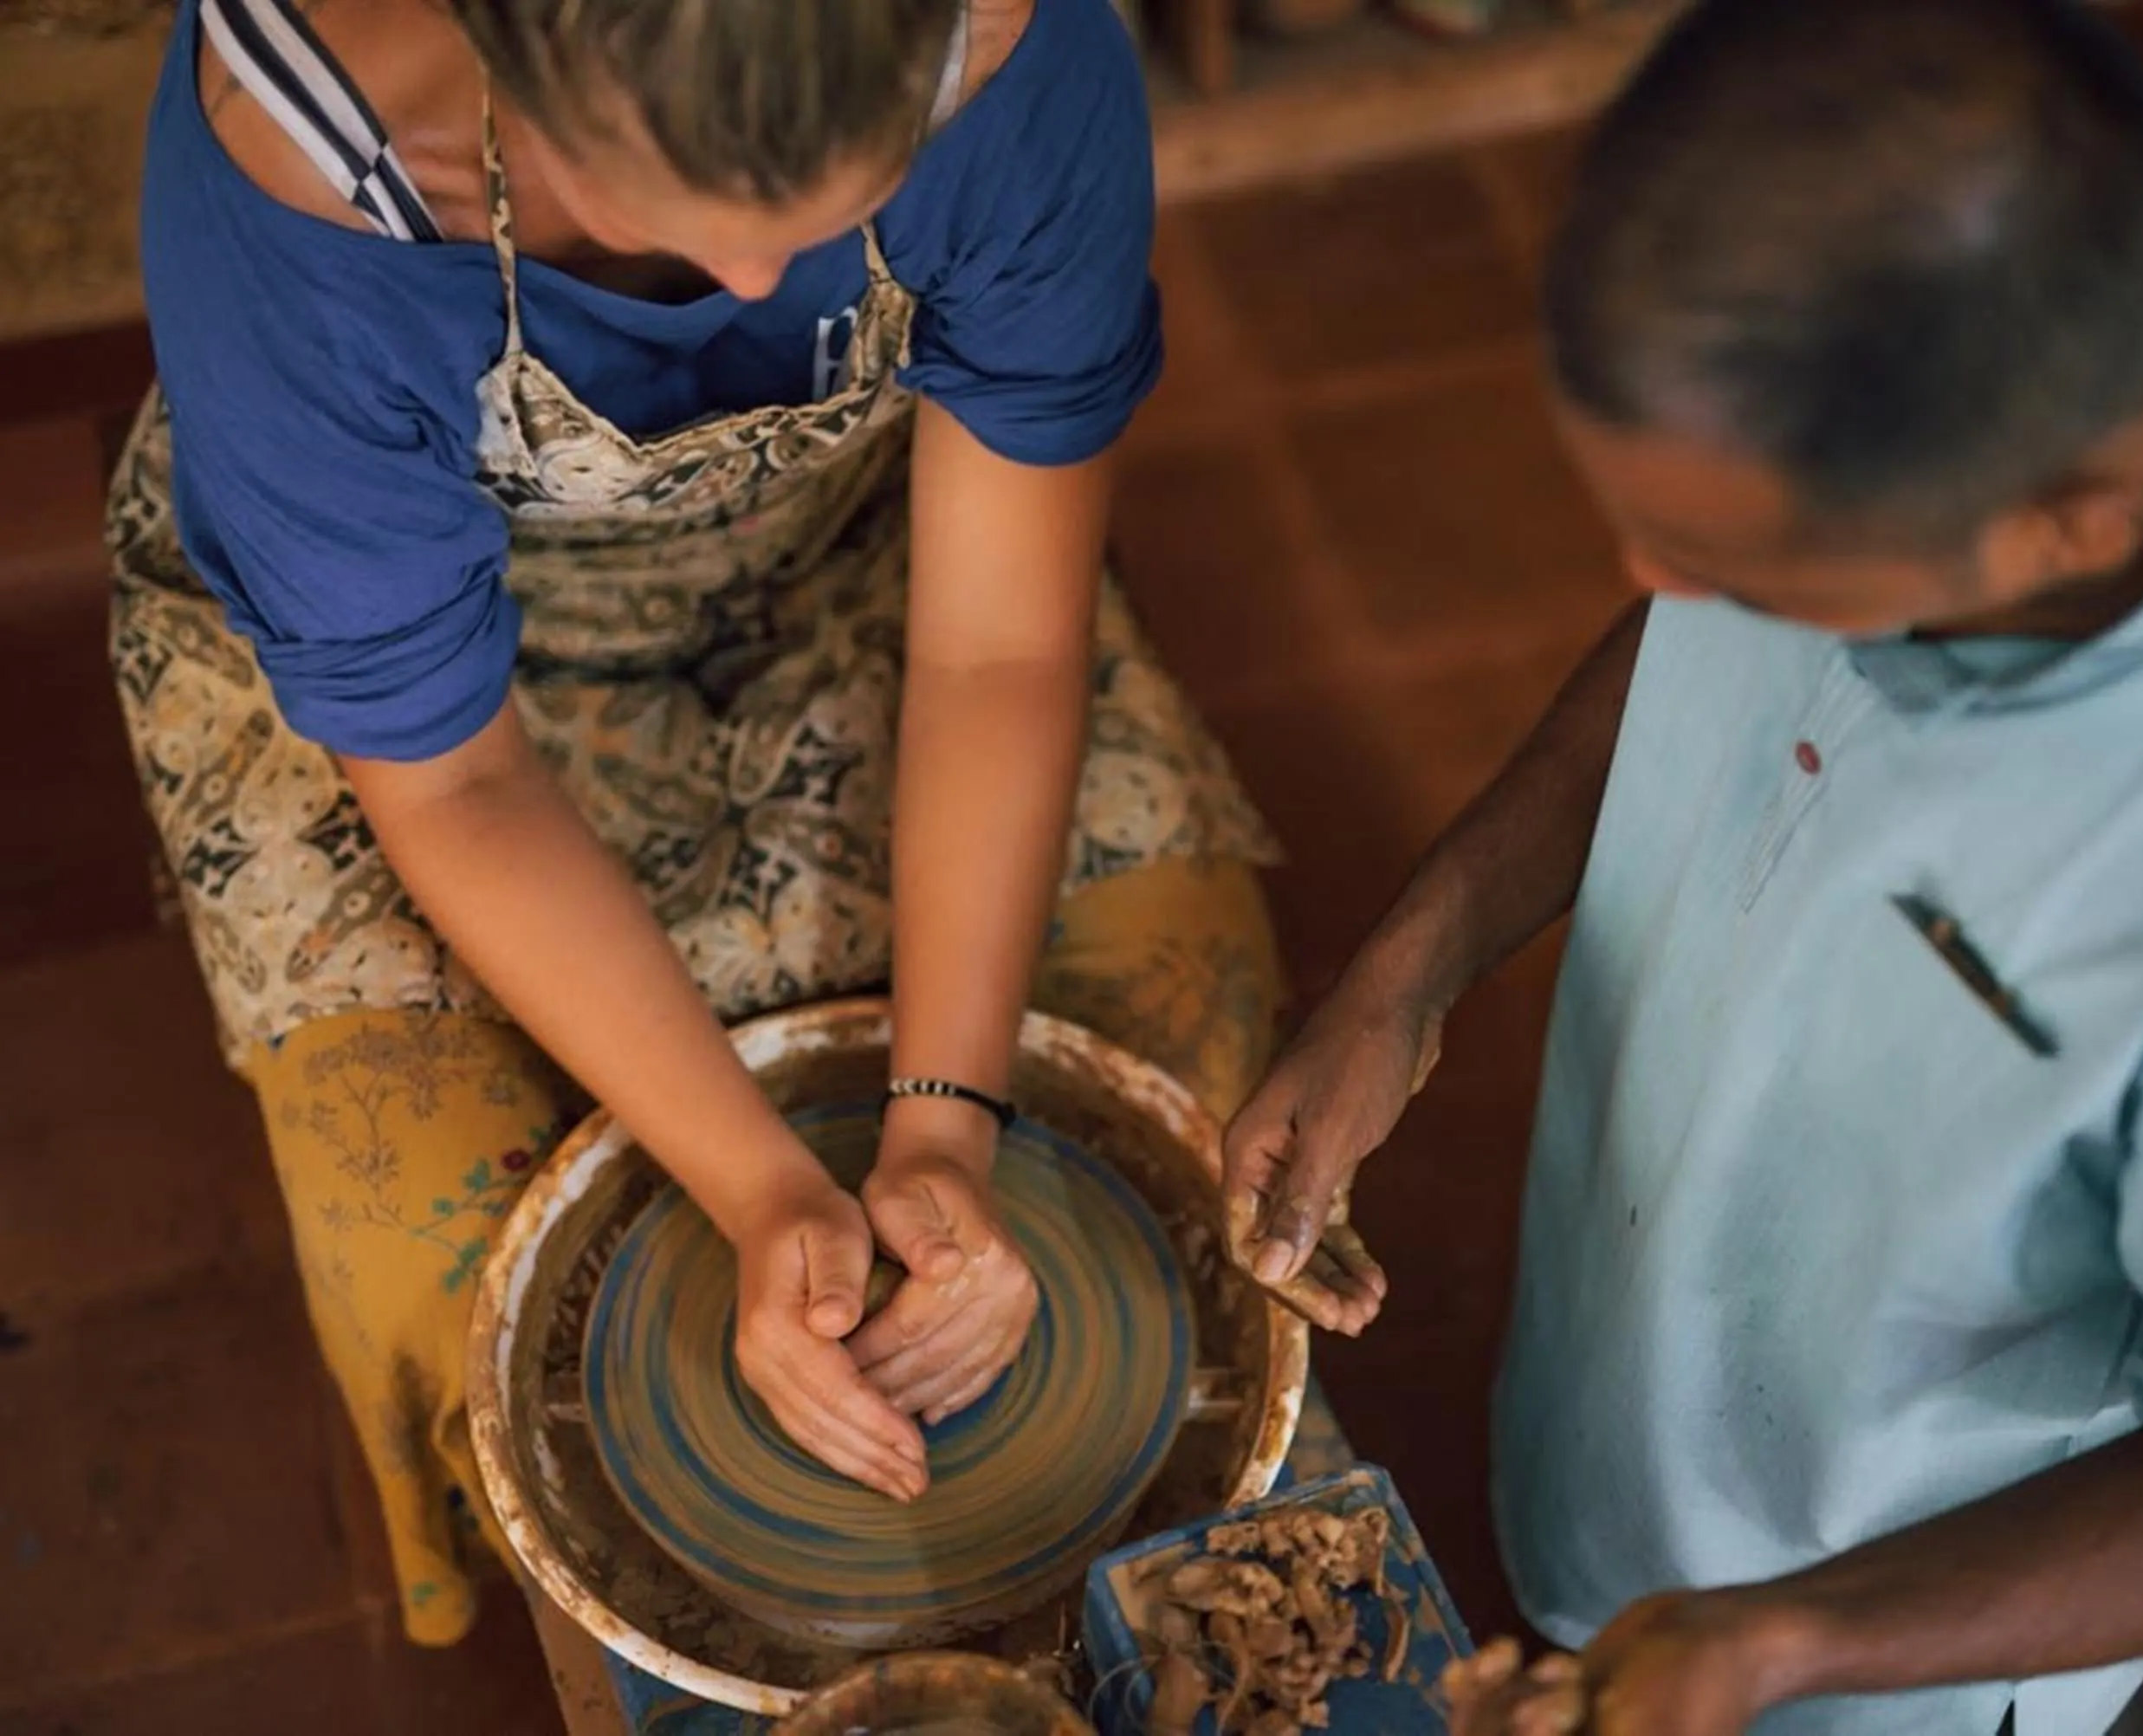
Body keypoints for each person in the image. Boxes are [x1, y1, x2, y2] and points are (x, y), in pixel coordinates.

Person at [1218, 0, 2143, 1730]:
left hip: (1918, 1627)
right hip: (1671, 1397)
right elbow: (1689, 662)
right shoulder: (1995, 320)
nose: (1650, 585)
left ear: (2065, 531)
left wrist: (1787, 1642)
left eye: (1738, 566)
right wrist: (1406, 977)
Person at [110, 0, 1284, 1645]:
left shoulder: (1015, 52)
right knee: (425, 1236)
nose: (752, 279)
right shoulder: (299, 182)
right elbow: (454, 782)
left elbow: (998, 649)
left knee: (1178, 1043)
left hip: (860, 535)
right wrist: (758, 1188)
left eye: (824, 202)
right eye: (682, 206)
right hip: (413, 673)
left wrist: (947, 1122)